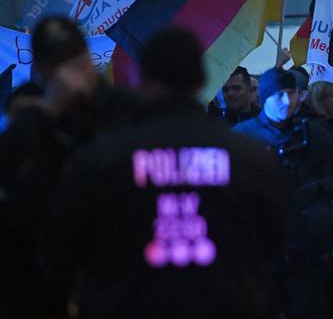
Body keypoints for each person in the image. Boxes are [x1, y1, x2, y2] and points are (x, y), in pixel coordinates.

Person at [39, 26, 288, 319]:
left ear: (142, 78)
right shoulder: (250, 159)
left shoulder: (102, 160)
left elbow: (58, 250)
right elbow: (275, 242)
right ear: (202, 80)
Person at [0, 17, 135, 318]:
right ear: (41, 69)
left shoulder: (122, 109)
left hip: (108, 275)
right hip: (35, 283)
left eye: (73, 59)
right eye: (55, 63)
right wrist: (45, 118)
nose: (67, 72)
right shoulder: (26, 114)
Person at [233, 68, 333, 318]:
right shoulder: (242, 137)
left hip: (307, 245)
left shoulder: (313, 133)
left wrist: (314, 189)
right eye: (278, 95)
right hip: (260, 248)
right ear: (263, 98)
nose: (286, 101)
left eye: (291, 94)